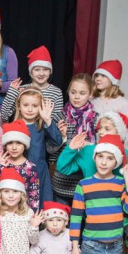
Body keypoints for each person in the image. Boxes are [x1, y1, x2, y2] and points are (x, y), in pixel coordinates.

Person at [52, 73, 96, 206]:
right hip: (62, 180)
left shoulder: (96, 118)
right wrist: (62, 137)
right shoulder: (59, 116)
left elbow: (100, 150)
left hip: (85, 179)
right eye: (73, 92)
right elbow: (50, 149)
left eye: (82, 93)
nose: (76, 97)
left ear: (90, 94)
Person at [13, 87, 61, 207]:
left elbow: (57, 141)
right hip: (19, 172)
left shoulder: (41, 126)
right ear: (19, 106)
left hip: (39, 171)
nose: (30, 109)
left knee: (40, 206)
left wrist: (48, 120)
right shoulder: (14, 126)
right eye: (26, 105)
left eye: (35, 106)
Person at [56, 111, 128, 182]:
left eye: (107, 129)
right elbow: (63, 168)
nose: (101, 132)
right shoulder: (88, 151)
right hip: (90, 197)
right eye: (100, 128)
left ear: (118, 132)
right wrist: (71, 149)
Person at [0, 45, 63, 123]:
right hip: (22, 131)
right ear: (31, 72)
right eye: (37, 70)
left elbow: (58, 121)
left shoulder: (56, 92)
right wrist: (12, 93)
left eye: (45, 69)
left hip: (46, 133)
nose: (41, 73)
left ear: (50, 71)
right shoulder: (22, 89)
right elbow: (4, 115)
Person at [0, 120, 39, 211]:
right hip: (2, 212)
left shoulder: (31, 167)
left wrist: (32, 216)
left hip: (23, 213)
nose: (14, 147)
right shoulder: (2, 164)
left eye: (19, 143)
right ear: (5, 145)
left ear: (25, 145)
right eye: (10, 143)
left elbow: (34, 196)